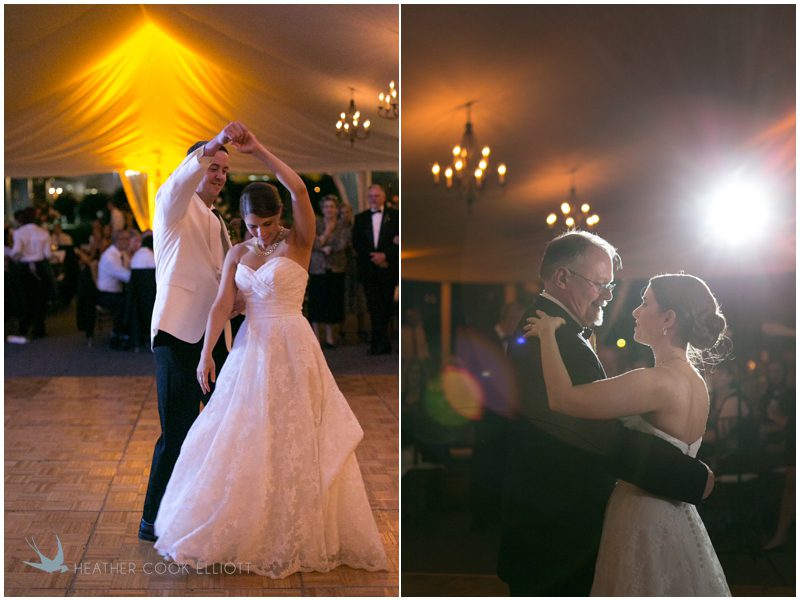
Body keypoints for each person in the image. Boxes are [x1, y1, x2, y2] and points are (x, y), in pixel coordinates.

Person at [153, 127, 387, 577]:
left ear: (280, 216)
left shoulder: (298, 241)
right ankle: (246, 521)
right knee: (242, 432)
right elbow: (223, 302)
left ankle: (301, 522)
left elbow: (298, 187)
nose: (259, 234)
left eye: (265, 224)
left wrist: (258, 149)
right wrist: (205, 354)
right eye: (250, 226)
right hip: (250, 349)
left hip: (294, 346)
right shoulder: (238, 250)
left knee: (297, 433)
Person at [498, 231, 714, 596]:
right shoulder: (541, 333)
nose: (612, 296)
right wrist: (689, 476)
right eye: (600, 283)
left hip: (587, 523)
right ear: (562, 278)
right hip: (554, 529)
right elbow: (596, 435)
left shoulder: (559, 333)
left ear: (669, 318)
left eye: (612, 285)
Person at [139, 123, 238, 542]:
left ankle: (205, 513)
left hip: (218, 340)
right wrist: (214, 141)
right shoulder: (172, 206)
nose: (219, 175)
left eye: (224, 171)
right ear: (195, 166)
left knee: (222, 429)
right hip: (178, 335)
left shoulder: (218, 222)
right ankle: (151, 521)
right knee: (177, 432)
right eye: (214, 166)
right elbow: (180, 179)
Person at [352, 184, 398, 354]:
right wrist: (374, 257)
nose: (374, 199)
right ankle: (378, 341)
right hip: (369, 269)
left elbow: (400, 242)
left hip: (388, 268)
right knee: (373, 305)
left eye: (377, 196)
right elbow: (357, 242)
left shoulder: (396, 217)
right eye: (371, 196)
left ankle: (381, 341)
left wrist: (385, 255)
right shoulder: (360, 218)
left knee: (386, 305)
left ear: (383, 197)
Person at [309, 195, 351, 348]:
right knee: (317, 301)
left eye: (332, 207)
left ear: (337, 209)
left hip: (336, 267)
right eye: (326, 206)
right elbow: (312, 242)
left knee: (332, 302)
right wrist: (326, 233)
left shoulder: (342, 225)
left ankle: (330, 336)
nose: (329, 209)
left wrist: (329, 247)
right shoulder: (316, 223)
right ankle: (315, 336)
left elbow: (343, 242)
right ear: (322, 208)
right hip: (317, 268)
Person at [9, 207, 53, 341]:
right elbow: (47, 254)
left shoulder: (19, 233)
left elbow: (16, 252)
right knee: (40, 298)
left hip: (24, 269)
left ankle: (24, 328)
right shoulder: (44, 232)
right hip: (39, 268)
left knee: (25, 298)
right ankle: (39, 329)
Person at [96, 228, 132, 349]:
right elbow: (126, 276)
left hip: (116, 292)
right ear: (119, 240)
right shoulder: (110, 257)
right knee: (125, 303)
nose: (129, 242)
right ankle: (117, 336)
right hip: (106, 295)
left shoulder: (123, 254)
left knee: (131, 299)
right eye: (127, 239)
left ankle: (127, 333)